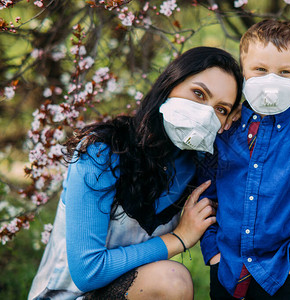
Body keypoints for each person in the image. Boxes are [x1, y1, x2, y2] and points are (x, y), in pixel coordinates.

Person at [28, 46, 243, 300]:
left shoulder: (199, 169)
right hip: (66, 296)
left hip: (131, 290)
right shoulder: (103, 151)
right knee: (173, 280)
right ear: (169, 85)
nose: (206, 113)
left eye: (221, 109)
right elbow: (87, 272)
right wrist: (178, 238)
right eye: (198, 93)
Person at [199, 20, 290, 299]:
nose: (271, 80)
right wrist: (212, 251)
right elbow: (206, 193)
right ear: (242, 76)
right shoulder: (222, 131)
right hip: (227, 268)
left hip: (282, 272)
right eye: (260, 70)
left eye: (285, 72)